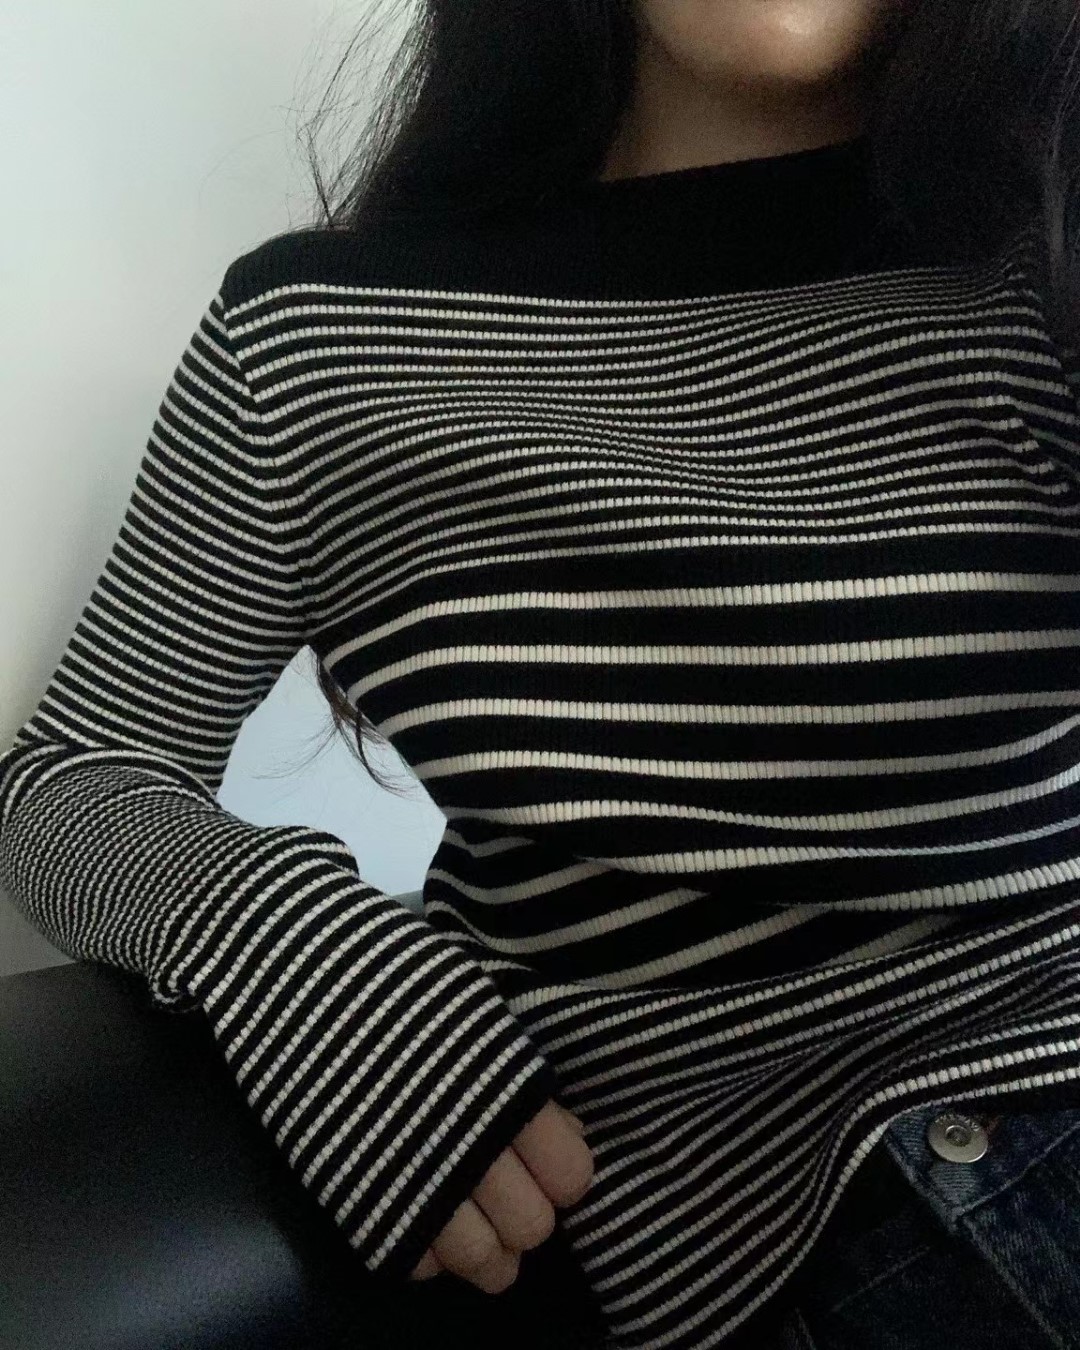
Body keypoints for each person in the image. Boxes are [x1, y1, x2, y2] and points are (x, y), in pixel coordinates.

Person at [3, 1, 1080, 1346]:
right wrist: (303, 952)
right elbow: (70, 775)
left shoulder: (1036, 250)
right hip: (816, 1249)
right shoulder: (317, 344)